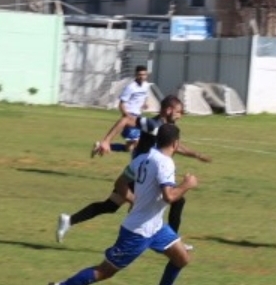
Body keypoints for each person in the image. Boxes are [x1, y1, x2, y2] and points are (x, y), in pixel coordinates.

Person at [45, 123, 198, 285]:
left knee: (181, 257)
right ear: (175, 144)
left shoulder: (142, 158)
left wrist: (135, 200)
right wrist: (187, 185)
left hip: (156, 227)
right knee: (104, 271)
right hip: (137, 232)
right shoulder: (166, 163)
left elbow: (120, 183)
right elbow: (169, 196)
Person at [57, 95, 211, 245]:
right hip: (139, 176)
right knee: (170, 201)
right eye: (179, 112)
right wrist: (106, 141)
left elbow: (174, 146)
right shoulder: (152, 124)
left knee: (113, 206)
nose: (180, 116)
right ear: (169, 110)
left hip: (146, 174)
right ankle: (170, 242)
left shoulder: (164, 128)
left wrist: (196, 154)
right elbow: (126, 119)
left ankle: (69, 220)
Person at [92, 65, 152, 158]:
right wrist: (127, 116)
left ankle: (100, 146)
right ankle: (136, 167)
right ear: (136, 75)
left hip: (138, 117)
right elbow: (121, 104)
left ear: (146, 75)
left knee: (129, 148)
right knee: (138, 143)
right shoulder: (131, 87)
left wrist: (145, 103)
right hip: (131, 117)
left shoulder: (146, 86)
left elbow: (145, 96)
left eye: (144, 74)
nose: (141, 77)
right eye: (139, 74)